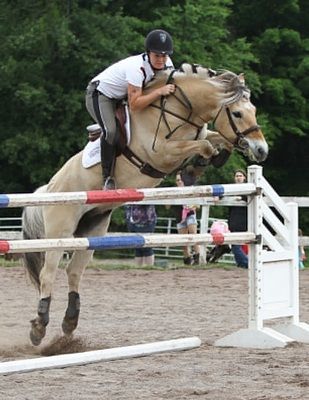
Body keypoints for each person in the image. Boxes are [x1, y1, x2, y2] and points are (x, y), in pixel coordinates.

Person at [86, 29, 175, 190]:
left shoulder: (168, 64)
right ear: (148, 53)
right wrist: (158, 92)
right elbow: (135, 105)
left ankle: (105, 126)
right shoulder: (136, 69)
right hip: (101, 95)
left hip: (122, 98)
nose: (161, 60)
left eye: (164, 55)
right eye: (157, 56)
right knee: (112, 131)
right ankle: (107, 177)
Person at [174, 167, 200, 265]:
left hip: (190, 214)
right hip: (179, 217)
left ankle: (197, 257)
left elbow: (198, 204)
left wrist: (193, 206)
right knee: (183, 241)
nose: (179, 181)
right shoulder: (173, 191)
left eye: (180, 179)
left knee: (193, 235)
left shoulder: (191, 189)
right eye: (177, 180)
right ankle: (187, 259)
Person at [228, 169, 248, 269]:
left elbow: (252, 198)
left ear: (244, 177)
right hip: (233, 218)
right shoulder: (231, 188)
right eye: (237, 176)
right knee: (235, 244)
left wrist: (242, 198)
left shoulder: (248, 188)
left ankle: (245, 262)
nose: (238, 177)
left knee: (236, 244)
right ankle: (241, 263)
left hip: (243, 219)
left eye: (240, 176)